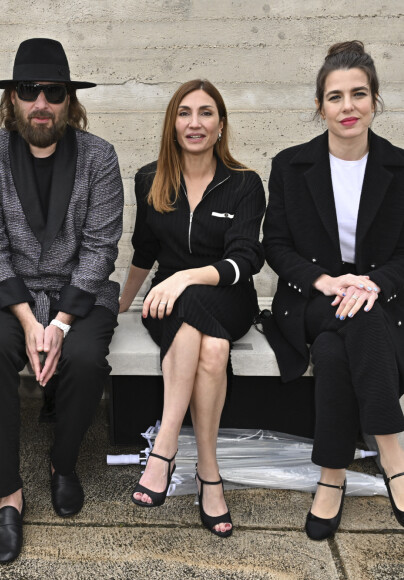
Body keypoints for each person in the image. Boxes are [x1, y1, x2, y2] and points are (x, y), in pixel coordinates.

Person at [0, 38, 123, 563]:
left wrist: (63, 324)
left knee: (82, 359)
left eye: (53, 91)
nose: (41, 102)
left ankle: (63, 462)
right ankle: (7, 493)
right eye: (29, 90)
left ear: (69, 100)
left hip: (83, 292)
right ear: (11, 97)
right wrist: (31, 321)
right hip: (14, 297)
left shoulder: (100, 156)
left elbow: (101, 246)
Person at [262, 41, 404, 540]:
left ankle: (331, 476)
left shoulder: (400, 167)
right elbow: (274, 245)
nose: (348, 107)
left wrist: (374, 283)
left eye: (358, 94)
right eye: (336, 97)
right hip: (310, 297)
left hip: (379, 300)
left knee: (336, 344)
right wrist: (324, 280)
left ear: (375, 100)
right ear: (319, 105)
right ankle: (394, 457)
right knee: (351, 319)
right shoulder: (290, 165)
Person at [119, 79, 265, 537]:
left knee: (194, 302)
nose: (195, 122)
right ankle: (209, 473)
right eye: (185, 113)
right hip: (168, 301)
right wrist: (122, 305)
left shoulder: (244, 183)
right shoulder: (150, 178)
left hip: (228, 297)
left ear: (221, 124)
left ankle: (164, 447)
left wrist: (184, 276)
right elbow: (144, 251)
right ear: (173, 123)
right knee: (213, 352)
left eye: (206, 113)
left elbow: (246, 259)